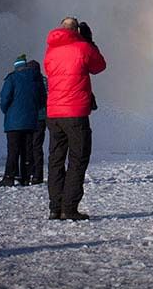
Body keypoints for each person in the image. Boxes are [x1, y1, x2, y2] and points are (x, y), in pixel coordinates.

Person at [43, 16, 106, 221]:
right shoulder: (82, 47)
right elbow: (99, 66)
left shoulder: (50, 50)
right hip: (76, 113)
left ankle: (55, 207)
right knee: (78, 159)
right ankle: (69, 208)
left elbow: (49, 71)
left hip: (54, 114)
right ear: (76, 30)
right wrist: (88, 41)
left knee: (55, 160)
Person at [0, 53, 46, 188]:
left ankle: (9, 177)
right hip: (31, 120)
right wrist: (34, 110)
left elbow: (5, 98)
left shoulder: (12, 78)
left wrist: (7, 110)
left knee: (13, 149)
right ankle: (25, 177)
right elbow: (42, 99)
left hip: (14, 121)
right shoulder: (36, 79)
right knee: (27, 149)